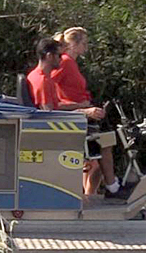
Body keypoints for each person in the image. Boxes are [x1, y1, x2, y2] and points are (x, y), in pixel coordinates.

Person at [50, 27, 123, 198]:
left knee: (93, 162)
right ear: (73, 44)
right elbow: (50, 85)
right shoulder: (65, 62)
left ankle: (90, 194)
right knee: (107, 143)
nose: (86, 47)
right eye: (83, 43)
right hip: (75, 114)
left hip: (83, 112)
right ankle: (113, 187)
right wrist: (79, 107)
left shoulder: (71, 63)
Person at [25, 38, 62, 110]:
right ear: (49, 56)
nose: (61, 59)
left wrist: (78, 107)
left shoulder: (33, 75)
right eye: (59, 55)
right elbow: (48, 112)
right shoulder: (44, 81)